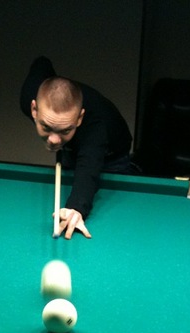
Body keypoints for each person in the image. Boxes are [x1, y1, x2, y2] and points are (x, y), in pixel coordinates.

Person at [20, 56, 138, 239]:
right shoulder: (29, 97)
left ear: (79, 118)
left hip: (112, 155)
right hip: (76, 144)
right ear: (34, 110)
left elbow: (88, 167)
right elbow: (42, 62)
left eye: (65, 130)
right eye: (46, 127)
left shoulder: (95, 126)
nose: (54, 140)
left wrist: (76, 208)